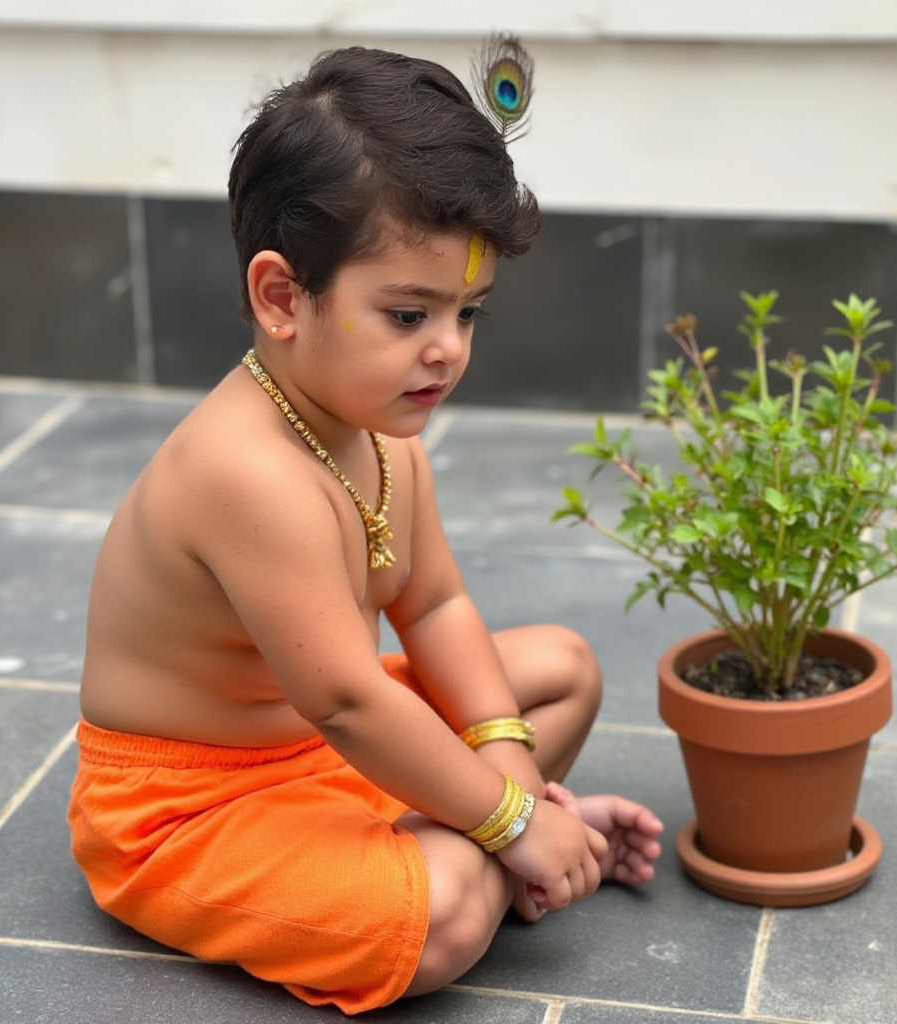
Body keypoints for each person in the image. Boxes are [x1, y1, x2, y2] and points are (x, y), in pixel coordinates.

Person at [67, 40, 663, 1015]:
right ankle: (472, 853)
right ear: (280, 296)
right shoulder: (247, 472)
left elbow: (435, 605)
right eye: (406, 313)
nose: (446, 350)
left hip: (329, 751)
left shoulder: (380, 431)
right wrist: (513, 822)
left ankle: (469, 833)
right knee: (453, 915)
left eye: (468, 313)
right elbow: (347, 699)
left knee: (562, 669)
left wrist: (508, 769)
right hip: (196, 806)